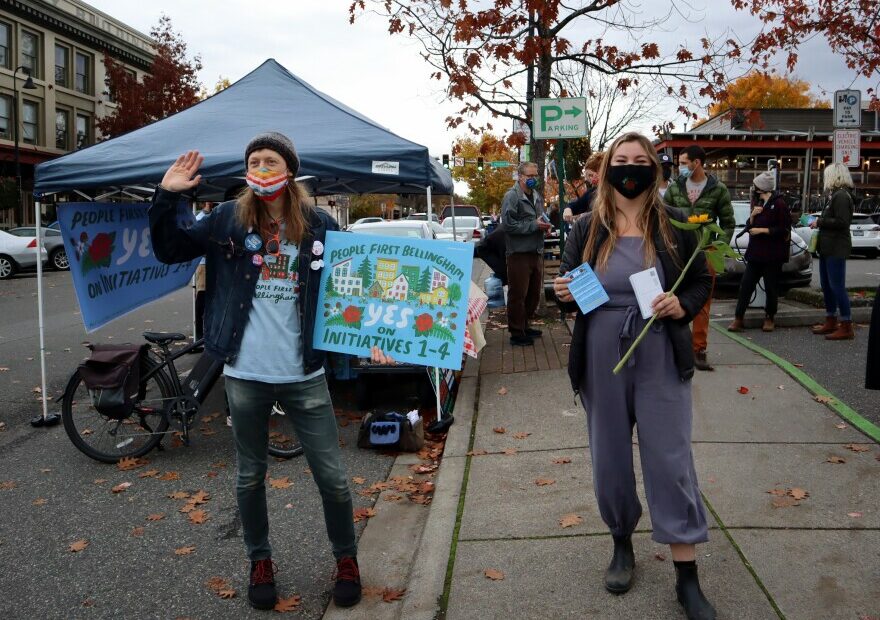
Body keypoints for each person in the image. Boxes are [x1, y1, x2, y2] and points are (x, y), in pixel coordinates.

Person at [149, 133, 387, 611]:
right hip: (244, 372)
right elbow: (170, 248)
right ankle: (260, 561)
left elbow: (353, 287)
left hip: (304, 373)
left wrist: (374, 335)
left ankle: (346, 559)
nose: (260, 167)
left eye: (269, 159)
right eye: (253, 160)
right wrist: (169, 195)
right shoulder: (225, 220)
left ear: (290, 169)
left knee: (335, 480)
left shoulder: (320, 225)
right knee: (249, 477)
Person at [554, 132, 715, 620]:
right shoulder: (586, 227)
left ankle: (687, 574)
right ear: (606, 170)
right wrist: (563, 292)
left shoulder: (676, 225)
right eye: (621, 161)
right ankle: (621, 540)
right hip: (602, 351)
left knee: (670, 458)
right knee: (610, 455)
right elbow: (569, 284)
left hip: (660, 348)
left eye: (640, 161)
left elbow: (703, 280)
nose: (630, 168)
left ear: (655, 169)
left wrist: (679, 304)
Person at [664, 145, 735, 371]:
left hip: (705, 252)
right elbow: (664, 218)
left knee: (702, 302)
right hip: (679, 252)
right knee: (671, 297)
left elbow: (728, 222)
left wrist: (717, 246)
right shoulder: (675, 188)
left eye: (685, 162)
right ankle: (673, 345)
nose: (681, 167)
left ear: (697, 162)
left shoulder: (718, 189)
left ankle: (698, 349)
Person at [727, 170, 791, 333]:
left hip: (772, 255)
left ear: (762, 187)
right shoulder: (758, 204)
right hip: (756, 253)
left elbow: (783, 229)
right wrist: (753, 217)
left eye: (755, 186)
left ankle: (770, 317)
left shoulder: (780, 205)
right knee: (746, 285)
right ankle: (738, 318)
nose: (753, 189)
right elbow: (749, 226)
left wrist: (763, 230)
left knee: (771, 287)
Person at [502, 161, 551, 346]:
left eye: (535, 175)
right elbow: (507, 225)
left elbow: (539, 218)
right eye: (529, 176)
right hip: (518, 253)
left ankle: (525, 325)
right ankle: (516, 333)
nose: (533, 179)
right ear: (520, 176)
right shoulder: (512, 196)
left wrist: (545, 227)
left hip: (535, 251)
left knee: (532, 295)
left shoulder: (536, 195)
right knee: (518, 294)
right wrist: (534, 226)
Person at [810, 163, 855, 340]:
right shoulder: (834, 196)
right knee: (827, 285)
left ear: (834, 176)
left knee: (837, 286)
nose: (824, 179)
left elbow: (843, 222)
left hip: (836, 247)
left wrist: (820, 222)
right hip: (828, 247)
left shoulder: (841, 196)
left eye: (826, 175)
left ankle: (846, 325)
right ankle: (831, 320)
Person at [563, 150, 605, 222]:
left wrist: (584, 216)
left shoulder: (617, 191)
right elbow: (577, 205)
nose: (590, 180)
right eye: (588, 176)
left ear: (602, 171)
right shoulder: (592, 192)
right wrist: (568, 209)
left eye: (591, 175)